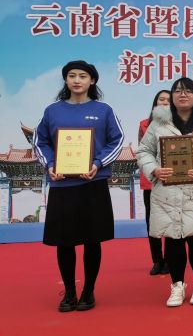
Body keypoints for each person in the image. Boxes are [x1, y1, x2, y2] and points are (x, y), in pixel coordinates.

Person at [33, 60, 124, 312]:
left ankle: (88, 290)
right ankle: (69, 292)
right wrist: (50, 165)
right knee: (65, 242)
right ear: (66, 80)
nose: (76, 80)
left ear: (92, 81)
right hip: (62, 185)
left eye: (82, 76)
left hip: (92, 183)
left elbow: (117, 140)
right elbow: (40, 142)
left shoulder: (103, 110)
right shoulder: (52, 111)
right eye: (71, 75)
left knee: (92, 240)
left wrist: (97, 163)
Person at [137, 78, 193, 307]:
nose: (183, 95)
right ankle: (177, 285)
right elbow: (144, 151)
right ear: (172, 96)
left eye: (188, 91)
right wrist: (154, 169)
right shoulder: (158, 124)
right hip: (166, 191)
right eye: (178, 91)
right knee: (173, 239)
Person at [139, 90, 172, 276]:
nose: (165, 103)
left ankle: (169, 259)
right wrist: (154, 169)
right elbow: (143, 153)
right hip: (151, 180)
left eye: (169, 100)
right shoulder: (144, 124)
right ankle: (157, 260)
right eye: (162, 99)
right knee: (152, 222)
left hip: (172, 180)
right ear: (155, 103)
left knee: (170, 220)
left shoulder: (178, 124)